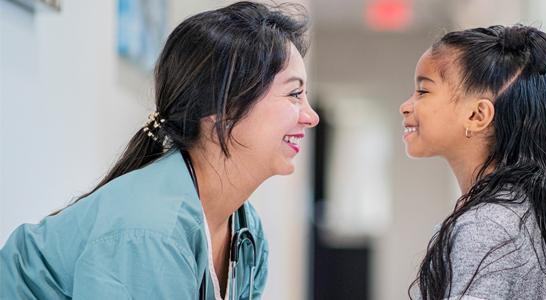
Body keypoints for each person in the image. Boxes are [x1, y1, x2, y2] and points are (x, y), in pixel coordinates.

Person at [0, 2, 318, 299]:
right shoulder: (149, 233)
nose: (311, 117)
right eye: (294, 94)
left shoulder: (246, 231)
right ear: (224, 107)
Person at [401, 25, 546, 299]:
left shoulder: (486, 227)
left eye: (423, 91)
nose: (406, 105)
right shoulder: (509, 211)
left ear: (477, 115)